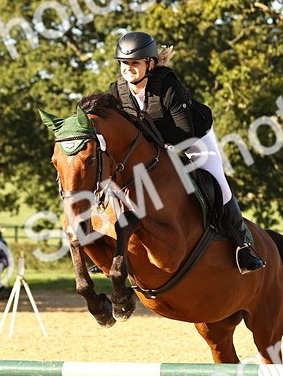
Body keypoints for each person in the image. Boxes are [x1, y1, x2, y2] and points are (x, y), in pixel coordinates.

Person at [106, 31, 265, 273]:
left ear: (150, 63)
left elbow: (185, 131)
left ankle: (243, 245)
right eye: (124, 63)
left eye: (134, 63)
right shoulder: (116, 91)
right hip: (154, 145)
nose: (128, 69)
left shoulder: (167, 85)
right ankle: (110, 247)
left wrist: (160, 149)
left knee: (216, 182)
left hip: (193, 138)